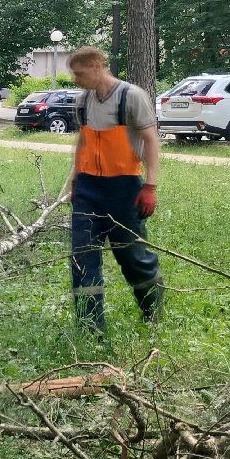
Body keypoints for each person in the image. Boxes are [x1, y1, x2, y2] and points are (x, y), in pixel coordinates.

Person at [66, 45, 164, 333]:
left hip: (124, 189)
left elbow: (151, 140)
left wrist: (151, 185)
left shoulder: (131, 97)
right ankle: (90, 328)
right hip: (88, 188)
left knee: (133, 256)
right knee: (82, 258)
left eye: (79, 74)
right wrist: (74, 180)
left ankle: (152, 313)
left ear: (97, 65)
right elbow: (82, 142)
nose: (76, 80)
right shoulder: (83, 101)